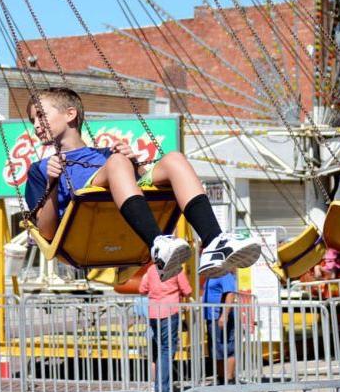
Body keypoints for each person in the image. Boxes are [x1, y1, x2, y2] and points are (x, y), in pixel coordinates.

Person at [23, 87, 262, 282]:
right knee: (117, 162)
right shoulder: (40, 169)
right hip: (81, 234)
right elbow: (46, 233)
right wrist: (52, 185)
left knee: (174, 159)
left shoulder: (108, 154)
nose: (36, 125)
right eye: (32, 120)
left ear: (70, 114)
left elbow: (146, 189)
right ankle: (158, 244)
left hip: (124, 224)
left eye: (41, 116)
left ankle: (214, 241)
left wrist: (136, 166)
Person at [139, 263, 191, 392]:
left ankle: (157, 386)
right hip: (169, 311)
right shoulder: (176, 268)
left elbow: (142, 289)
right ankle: (164, 390)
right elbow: (187, 290)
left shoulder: (151, 269)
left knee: (160, 350)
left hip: (153, 313)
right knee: (167, 350)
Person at [202, 268, 238, 385]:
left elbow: (230, 295)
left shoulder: (225, 274)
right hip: (211, 317)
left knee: (227, 347)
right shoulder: (211, 274)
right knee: (216, 350)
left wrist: (224, 315)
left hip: (219, 316)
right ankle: (222, 378)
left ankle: (229, 379)